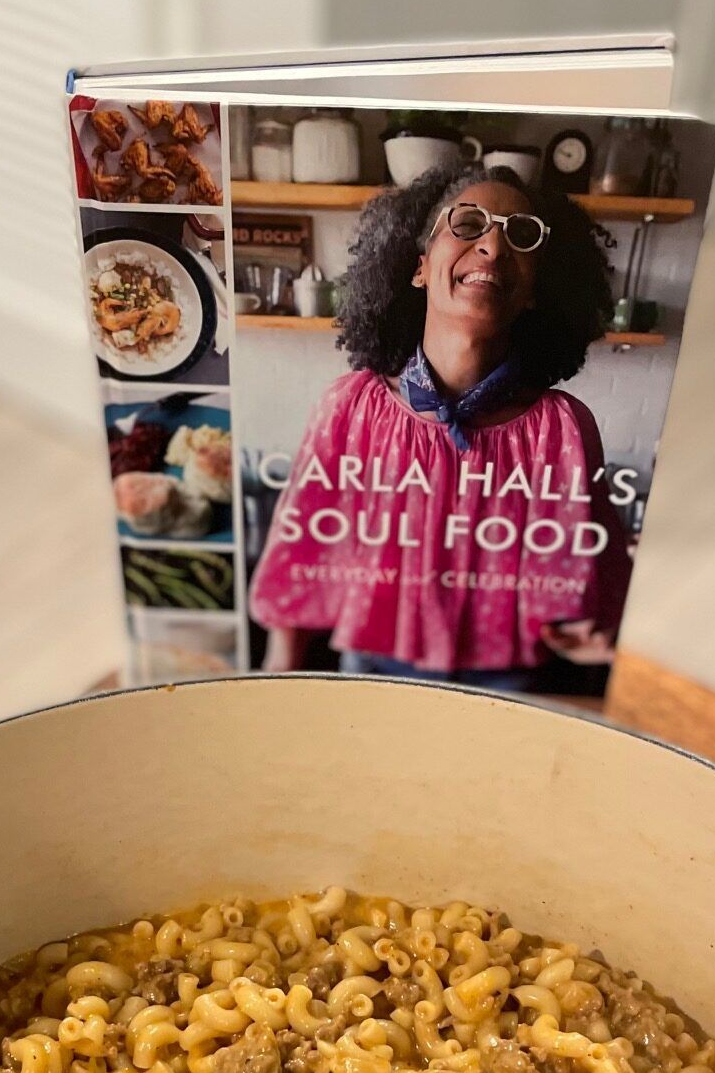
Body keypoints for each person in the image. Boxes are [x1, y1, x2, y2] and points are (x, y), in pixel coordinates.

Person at [249, 163, 631, 693]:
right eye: (469, 223)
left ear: (536, 291)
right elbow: (300, 565)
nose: (493, 248)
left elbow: (601, 584)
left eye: (521, 235)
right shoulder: (349, 408)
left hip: (510, 687)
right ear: (420, 267)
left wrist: (601, 627)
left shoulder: (562, 428)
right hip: (372, 676)